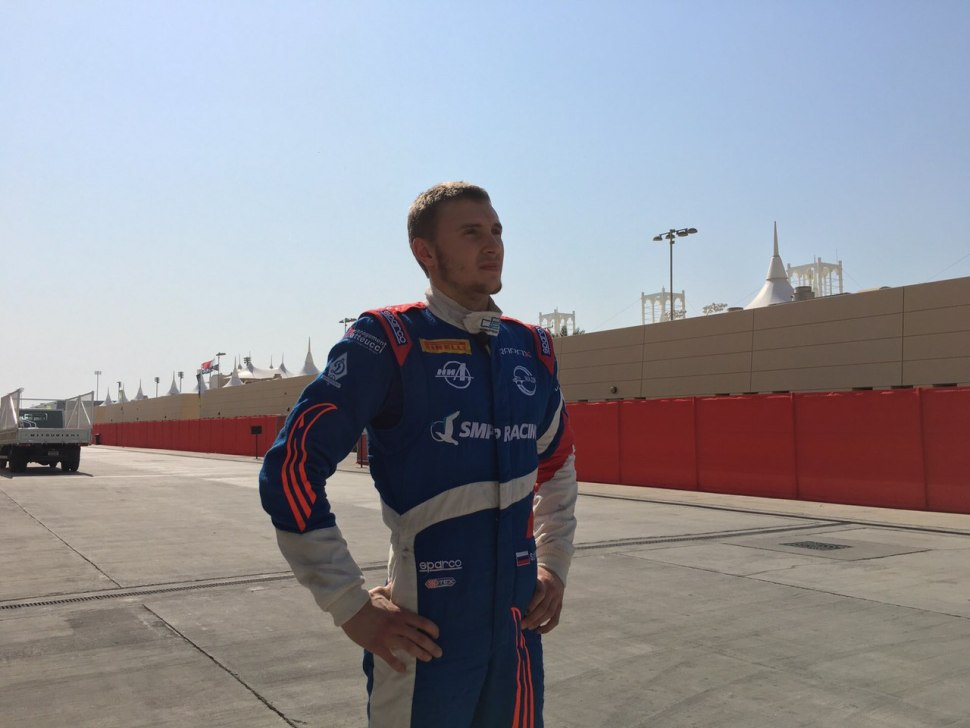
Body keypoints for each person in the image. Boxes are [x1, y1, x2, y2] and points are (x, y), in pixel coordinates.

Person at [259, 181, 577, 728]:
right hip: (424, 634)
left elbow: (558, 464)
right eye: (471, 232)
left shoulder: (531, 348)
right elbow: (291, 468)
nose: (493, 244)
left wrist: (553, 564)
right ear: (424, 251)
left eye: (496, 230)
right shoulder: (387, 339)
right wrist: (350, 605)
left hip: (518, 633)